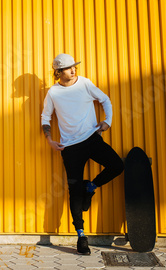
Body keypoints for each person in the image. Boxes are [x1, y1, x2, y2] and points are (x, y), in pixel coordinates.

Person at [41, 53, 124, 255]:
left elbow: (105, 100)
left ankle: (92, 186)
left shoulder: (85, 83)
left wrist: (108, 122)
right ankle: (81, 236)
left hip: (92, 138)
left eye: (74, 66)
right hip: (70, 148)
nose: (73, 70)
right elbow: (45, 116)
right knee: (74, 191)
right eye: (69, 68)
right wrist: (50, 140)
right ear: (58, 72)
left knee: (118, 166)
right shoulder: (53, 92)